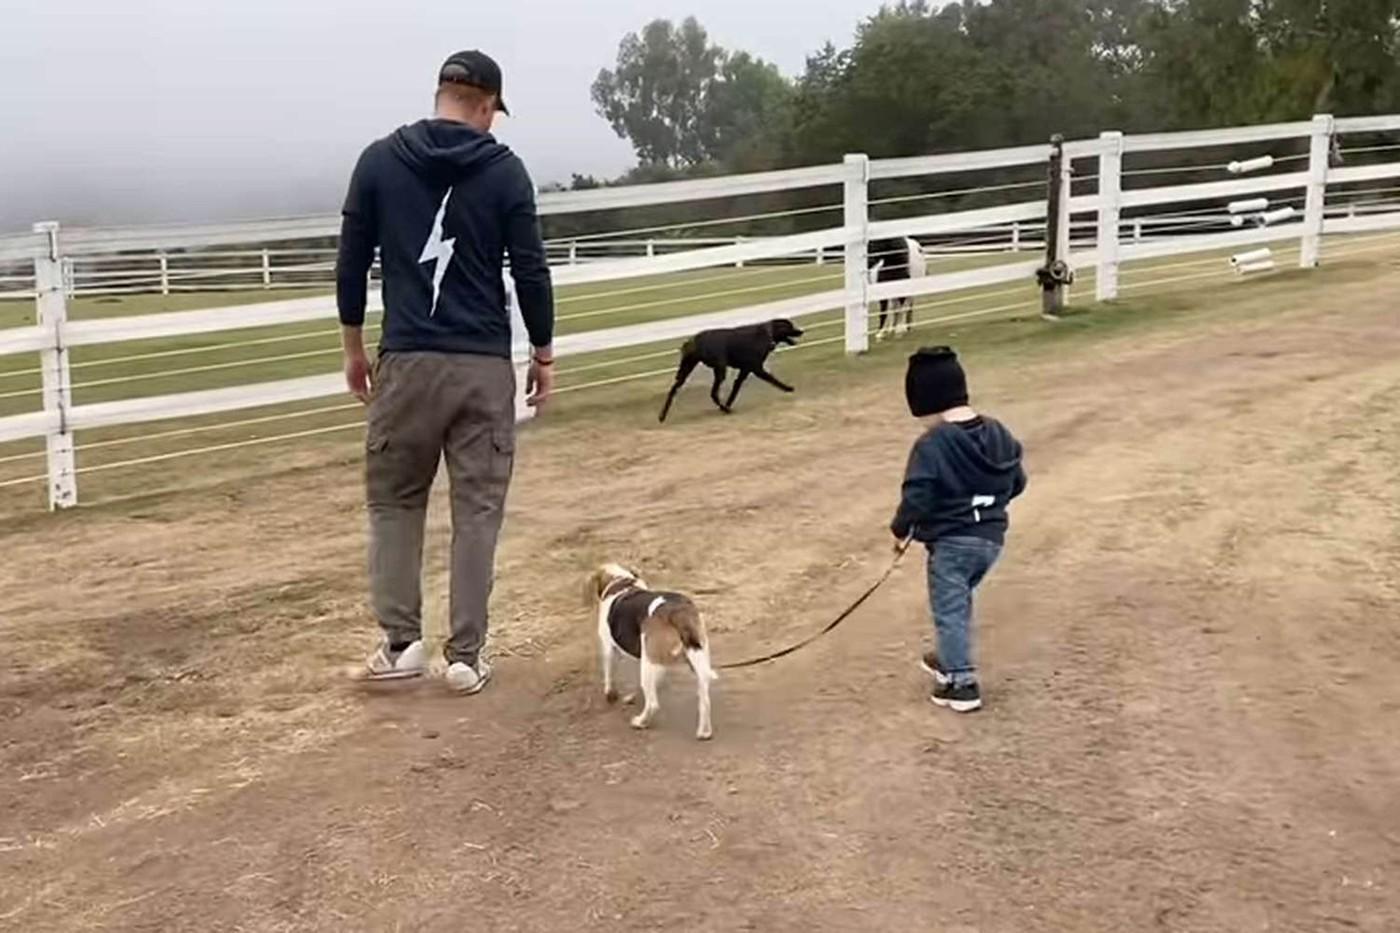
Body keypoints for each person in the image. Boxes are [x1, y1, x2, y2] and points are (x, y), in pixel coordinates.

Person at [336, 49, 555, 694]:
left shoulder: (378, 162)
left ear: (442, 95)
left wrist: (354, 347)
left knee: (394, 502)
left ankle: (401, 644)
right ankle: (465, 656)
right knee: (478, 510)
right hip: (481, 363)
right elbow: (530, 269)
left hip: (406, 358)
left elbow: (351, 262)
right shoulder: (505, 171)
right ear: (485, 105)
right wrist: (543, 353)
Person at [890, 347, 1027, 713]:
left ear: (926, 401)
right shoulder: (998, 432)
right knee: (958, 600)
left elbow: (917, 495)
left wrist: (901, 529)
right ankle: (950, 655)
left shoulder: (933, 443)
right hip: (990, 541)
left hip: (952, 544)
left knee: (949, 607)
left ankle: (961, 683)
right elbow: (1018, 481)